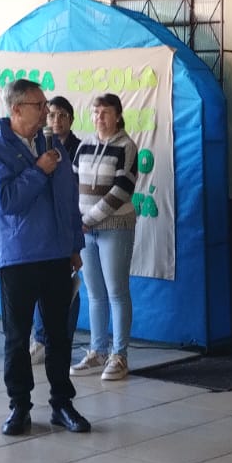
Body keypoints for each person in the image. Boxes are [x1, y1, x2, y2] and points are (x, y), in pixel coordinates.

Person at [0, 77, 91, 437]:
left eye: (46, 105)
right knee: (17, 336)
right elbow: (5, 201)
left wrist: (74, 246)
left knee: (59, 334)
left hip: (56, 254)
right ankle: (19, 406)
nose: (46, 112)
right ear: (16, 109)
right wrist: (38, 171)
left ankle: (62, 404)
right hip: (17, 255)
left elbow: (68, 199)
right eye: (39, 106)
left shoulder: (53, 145)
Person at [72, 92, 138, 381]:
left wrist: (87, 220)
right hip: (85, 231)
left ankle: (119, 355)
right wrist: (77, 221)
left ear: (118, 115)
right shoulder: (84, 144)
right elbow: (71, 181)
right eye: (96, 112)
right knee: (94, 293)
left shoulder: (126, 146)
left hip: (115, 227)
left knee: (117, 292)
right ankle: (97, 352)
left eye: (106, 112)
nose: (100, 117)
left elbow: (122, 190)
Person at [30, 95, 81, 365]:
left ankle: (64, 341)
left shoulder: (78, 148)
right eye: (51, 115)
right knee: (40, 288)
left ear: (71, 120)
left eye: (62, 115)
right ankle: (40, 339)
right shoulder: (38, 146)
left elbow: (76, 192)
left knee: (69, 289)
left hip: (69, 226)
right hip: (43, 231)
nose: (56, 120)